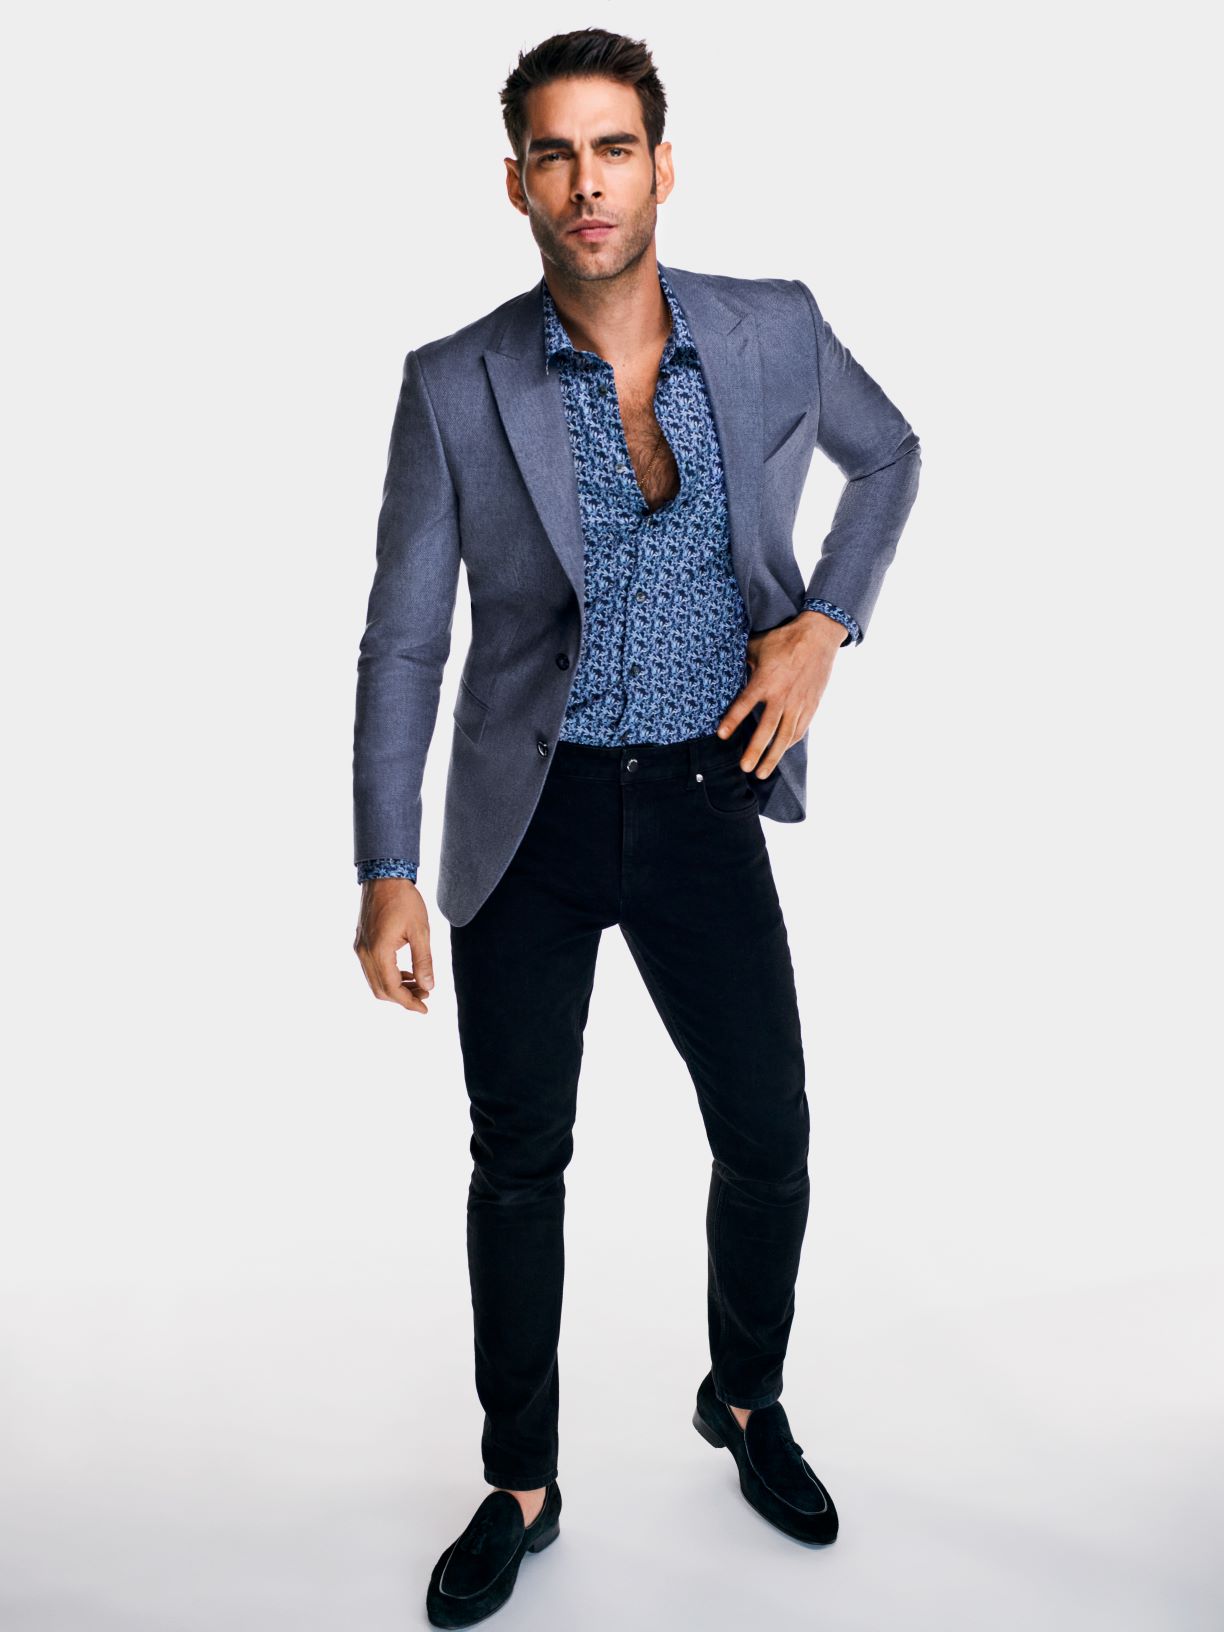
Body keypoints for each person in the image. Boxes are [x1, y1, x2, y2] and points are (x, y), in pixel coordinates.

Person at [351, 26, 921, 1628]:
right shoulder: (455, 383)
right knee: (518, 1162)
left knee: (770, 1131)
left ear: (663, 167)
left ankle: (743, 1400)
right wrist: (386, 868)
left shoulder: (771, 328)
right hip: (525, 820)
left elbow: (892, 455)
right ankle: (521, 1484)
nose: (587, 183)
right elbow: (406, 642)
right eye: (556, 154)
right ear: (517, 184)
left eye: (614, 149)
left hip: (703, 792)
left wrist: (825, 626)